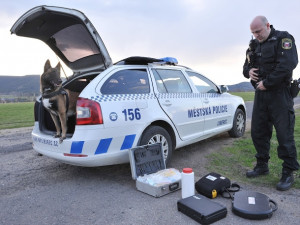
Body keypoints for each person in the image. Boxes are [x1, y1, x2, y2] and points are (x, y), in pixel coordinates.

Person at [243, 16, 299, 191]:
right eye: (253, 33)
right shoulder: (253, 45)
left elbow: (288, 64)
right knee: (258, 132)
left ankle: (288, 172)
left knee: (284, 135)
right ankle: (262, 166)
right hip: (261, 94)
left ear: (267, 26)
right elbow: (245, 67)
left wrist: (267, 83)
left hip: (280, 94)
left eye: (258, 31)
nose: (256, 35)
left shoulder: (283, 38)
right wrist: (248, 71)